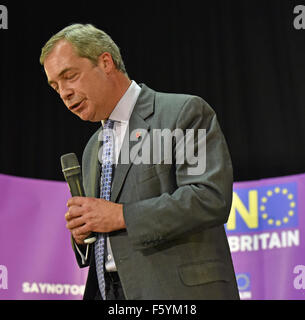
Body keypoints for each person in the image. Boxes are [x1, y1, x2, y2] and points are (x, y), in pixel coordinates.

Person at [40, 23, 239, 300]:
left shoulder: (182, 113)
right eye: (55, 86)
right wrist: (83, 232)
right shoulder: (91, 149)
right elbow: (103, 230)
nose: (64, 92)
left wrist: (120, 215)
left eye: (70, 76)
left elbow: (209, 198)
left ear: (106, 62)